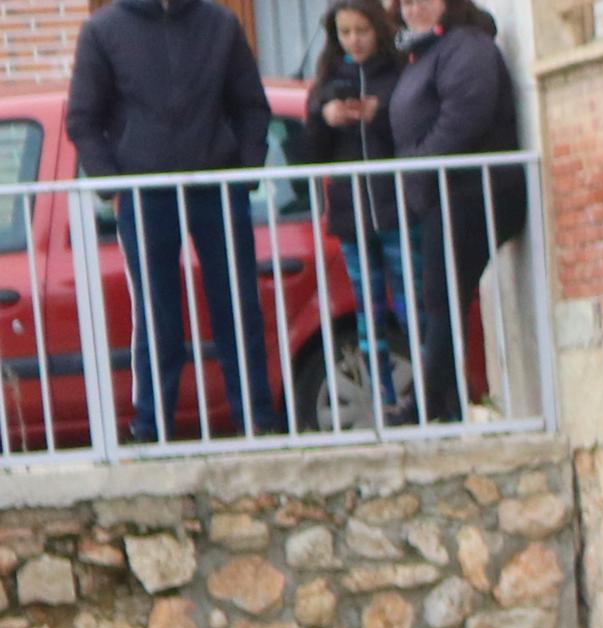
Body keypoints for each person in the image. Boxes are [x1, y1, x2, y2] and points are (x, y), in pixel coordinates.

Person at [67, 0, 284, 445]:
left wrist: (245, 172)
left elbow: (251, 106)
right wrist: (113, 184)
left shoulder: (220, 23)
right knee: (156, 315)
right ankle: (153, 429)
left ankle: (256, 422)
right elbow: (83, 118)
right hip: (146, 195)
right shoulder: (103, 30)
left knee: (238, 307)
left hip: (217, 188)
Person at [385, 0, 525, 418]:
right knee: (440, 298)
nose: (415, 9)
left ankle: (428, 405)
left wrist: (421, 165)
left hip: (473, 192)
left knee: (443, 295)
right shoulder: (424, 51)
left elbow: (464, 116)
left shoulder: (467, 47)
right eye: (405, 2)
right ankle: (445, 403)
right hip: (444, 193)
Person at [287, 3, 405, 417]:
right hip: (350, 216)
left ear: (378, 30)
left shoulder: (396, 74)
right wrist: (325, 118)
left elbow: (410, 131)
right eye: (345, 32)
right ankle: (384, 400)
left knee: (412, 307)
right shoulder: (325, 84)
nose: (354, 40)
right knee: (367, 314)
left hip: (397, 211)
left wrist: (379, 115)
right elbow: (305, 157)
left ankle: (425, 396)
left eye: (362, 31)